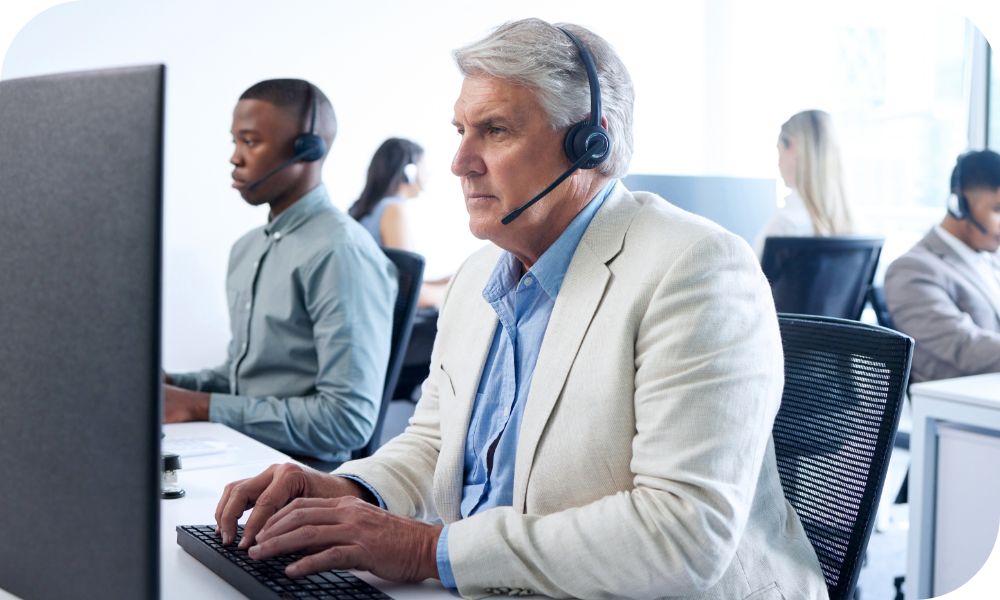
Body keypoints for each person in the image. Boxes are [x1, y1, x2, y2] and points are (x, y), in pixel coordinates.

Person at [214, 20, 827, 599]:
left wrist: (430, 551)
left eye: (496, 130)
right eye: (461, 131)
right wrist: (348, 490)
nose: (460, 161)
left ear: (592, 144)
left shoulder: (696, 267)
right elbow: (434, 445)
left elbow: (683, 533)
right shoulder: (482, 273)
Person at [164, 79, 397, 464]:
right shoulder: (248, 248)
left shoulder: (340, 253)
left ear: (308, 149)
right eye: (234, 141)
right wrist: (176, 387)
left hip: (300, 477)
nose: (235, 157)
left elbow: (347, 421)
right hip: (240, 453)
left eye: (250, 142)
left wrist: (201, 406)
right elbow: (251, 377)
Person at [885, 149, 1000, 383]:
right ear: (959, 205)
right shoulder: (912, 270)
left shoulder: (990, 259)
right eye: (998, 209)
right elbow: (964, 346)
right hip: (961, 408)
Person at [349, 137, 450, 308]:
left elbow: (393, 278)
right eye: (424, 168)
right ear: (409, 172)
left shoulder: (364, 209)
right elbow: (408, 292)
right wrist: (453, 292)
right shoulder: (393, 210)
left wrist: (445, 282)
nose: (428, 175)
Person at [754, 109, 854, 257]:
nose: (778, 163)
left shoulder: (784, 227)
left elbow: (750, 279)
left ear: (793, 147)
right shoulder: (857, 229)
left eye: (780, 152)